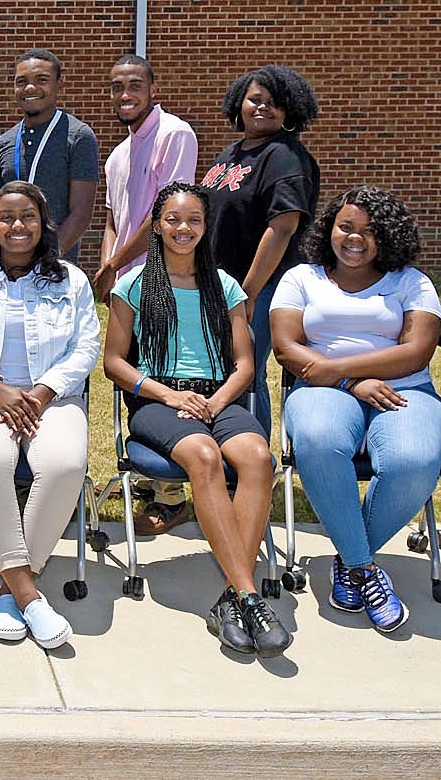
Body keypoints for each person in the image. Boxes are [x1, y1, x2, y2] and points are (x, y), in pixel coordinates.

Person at [103, 183, 288, 657]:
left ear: (206, 228)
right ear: (157, 225)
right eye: (172, 220)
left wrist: (215, 401)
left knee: (258, 458)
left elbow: (245, 363)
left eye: (193, 221)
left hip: (219, 398)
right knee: (203, 456)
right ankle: (248, 596)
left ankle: (230, 597)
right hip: (158, 402)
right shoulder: (134, 284)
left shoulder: (224, 286)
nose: (183, 229)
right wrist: (171, 396)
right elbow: (115, 363)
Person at [271, 185, 441, 634]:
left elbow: (417, 352)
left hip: (403, 389)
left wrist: (336, 366)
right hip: (323, 389)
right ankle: (365, 570)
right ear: (330, 227)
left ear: (388, 236)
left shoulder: (411, 282)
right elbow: (287, 349)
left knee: (414, 459)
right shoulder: (301, 278)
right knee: (318, 440)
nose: (353, 238)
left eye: (369, 231)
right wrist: (350, 380)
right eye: (345, 227)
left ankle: (350, 560)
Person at [0, 182, 97, 649]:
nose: (16, 226)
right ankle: (29, 594)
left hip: (54, 398)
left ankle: (9, 588)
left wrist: (43, 392)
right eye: (5, 217)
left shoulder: (71, 280)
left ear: (42, 222)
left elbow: (85, 346)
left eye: (27, 216)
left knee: (65, 464)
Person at [93, 53, 197, 535]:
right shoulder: (118, 153)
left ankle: (172, 494)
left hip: (165, 280)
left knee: (162, 374)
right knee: (130, 374)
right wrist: (107, 267)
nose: (124, 94)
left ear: (153, 88)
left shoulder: (174, 134)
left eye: (134, 85)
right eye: (116, 86)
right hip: (128, 287)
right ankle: (146, 472)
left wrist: (116, 263)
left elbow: (164, 215)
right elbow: (115, 219)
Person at [201, 65, 321, 435]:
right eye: (255, 99)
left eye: (274, 103)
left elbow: (282, 227)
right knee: (226, 366)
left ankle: (252, 465)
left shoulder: (283, 156)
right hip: (222, 283)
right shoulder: (231, 153)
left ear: (290, 111)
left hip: (264, 286)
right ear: (239, 102)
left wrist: (249, 292)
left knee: (245, 370)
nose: (262, 108)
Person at [0, 49, 98, 261]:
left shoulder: (78, 136)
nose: (30, 87)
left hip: (54, 268)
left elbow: (81, 213)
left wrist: (45, 261)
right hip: (7, 268)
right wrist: (0, 255)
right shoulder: (2, 144)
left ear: (59, 84)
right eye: (21, 81)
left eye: (41, 80)